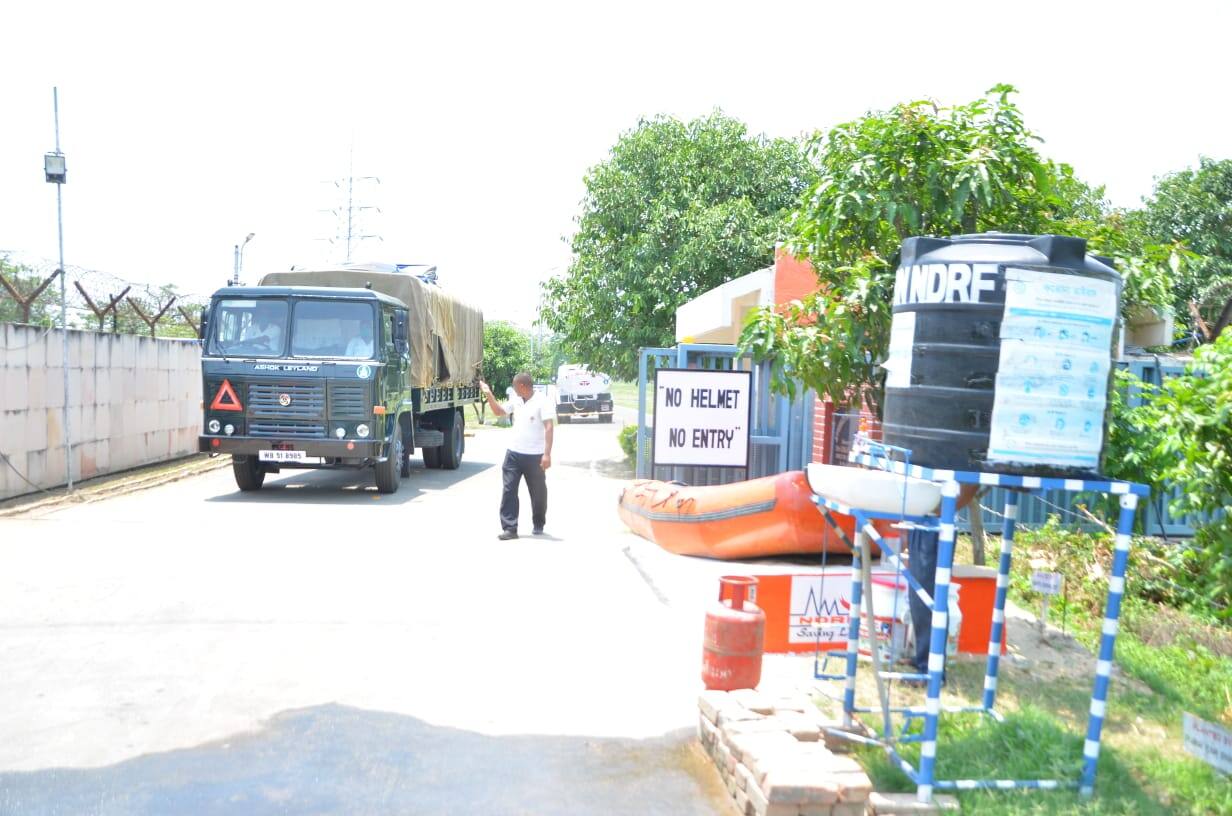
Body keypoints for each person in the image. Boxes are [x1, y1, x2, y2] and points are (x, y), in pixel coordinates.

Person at [905, 484, 980, 683]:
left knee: (928, 597)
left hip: (936, 524)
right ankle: (923, 656)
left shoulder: (959, 462)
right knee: (918, 595)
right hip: (922, 519)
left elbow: (968, 489)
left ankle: (930, 668)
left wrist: (936, 508)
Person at [479, 373, 553, 540]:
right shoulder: (516, 399)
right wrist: (488, 393)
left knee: (538, 491)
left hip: (535, 455)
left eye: (514, 385)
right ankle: (510, 528)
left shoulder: (543, 401)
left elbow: (549, 427)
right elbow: (499, 412)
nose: (513, 388)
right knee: (509, 490)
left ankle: (538, 522)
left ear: (522, 386)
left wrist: (547, 454)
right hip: (513, 453)